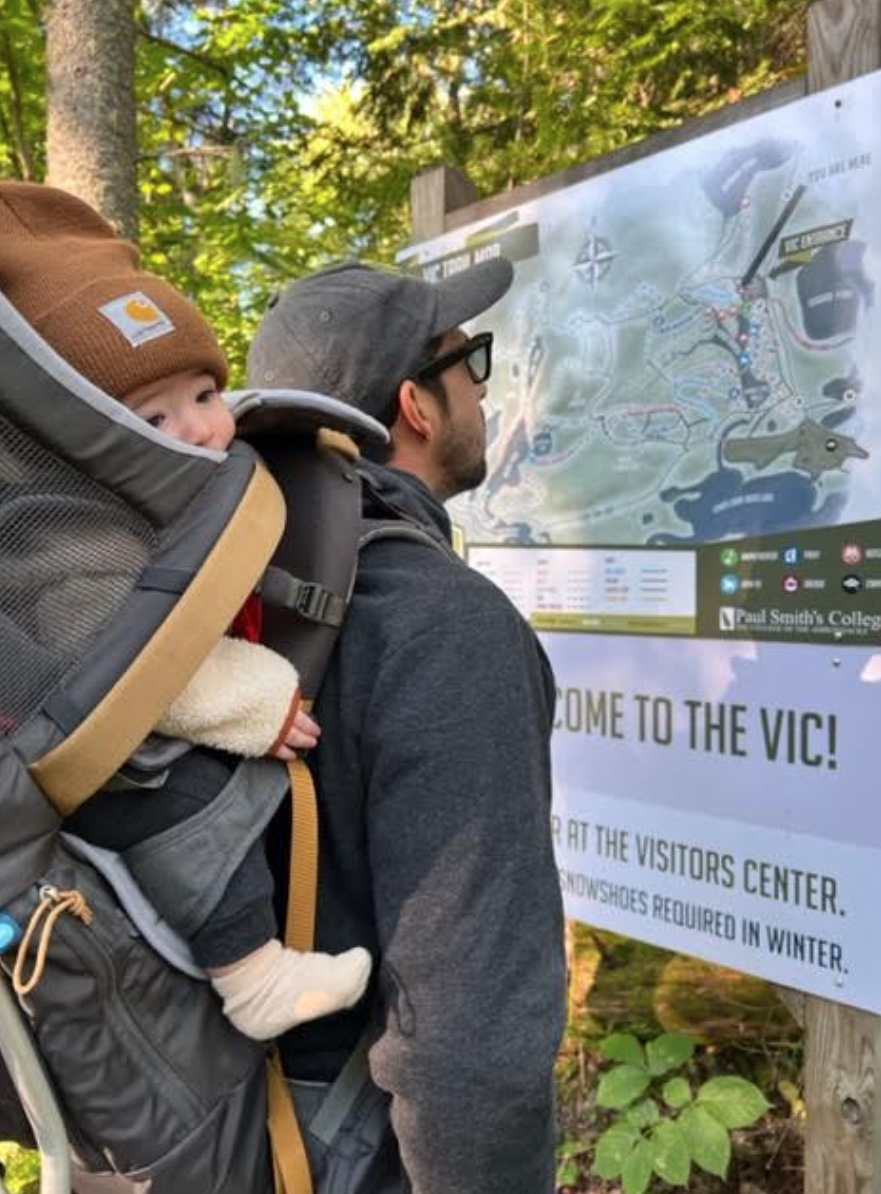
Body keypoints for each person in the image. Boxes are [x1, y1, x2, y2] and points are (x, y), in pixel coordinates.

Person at [0, 180, 371, 1040]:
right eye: (154, 418)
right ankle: (252, 978)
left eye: (206, 396)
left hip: (103, 722)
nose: (202, 431)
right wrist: (259, 701)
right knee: (188, 797)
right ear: (84, 445)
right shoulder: (60, 525)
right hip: (90, 752)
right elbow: (132, 660)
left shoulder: (159, 499)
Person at [249, 259, 567, 1193]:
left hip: (215, 1128)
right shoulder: (445, 626)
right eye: (467, 360)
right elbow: (470, 1040)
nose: (478, 384)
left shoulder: (218, 592)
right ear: (415, 407)